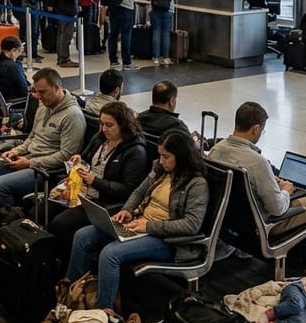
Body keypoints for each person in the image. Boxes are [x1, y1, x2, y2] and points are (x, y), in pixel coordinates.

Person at [63, 129, 208, 310]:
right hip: (140, 224)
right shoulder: (160, 170)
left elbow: (191, 224)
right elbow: (139, 191)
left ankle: (103, 311)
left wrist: (148, 226)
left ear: (182, 156)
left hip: (166, 239)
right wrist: (128, 210)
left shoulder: (196, 184)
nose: (161, 161)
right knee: (83, 236)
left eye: (166, 157)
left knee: (110, 254)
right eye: (160, 155)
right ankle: (71, 293)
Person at [208, 102, 306, 267]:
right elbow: (277, 209)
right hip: (264, 224)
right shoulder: (257, 162)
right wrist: (285, 191)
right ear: (255, 129)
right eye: (262, 130)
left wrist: (270, 180)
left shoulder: (216, 150)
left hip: (232, 220)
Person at [0, 67, 86, 208]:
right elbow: (32, 137)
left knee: (0, 186)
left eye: (42, 92)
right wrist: (16, 151)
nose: (38, 96)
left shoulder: (72, 116)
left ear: (56, 87)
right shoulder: (43, 106)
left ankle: (7, 223)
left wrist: (30, 163)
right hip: (27, 159)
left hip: (47, 171)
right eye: (36, 91)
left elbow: (66, 156)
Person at [44, 101, 149, 258]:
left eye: (109, 125)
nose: (104, 129)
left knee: (60, 224)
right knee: (40, 211)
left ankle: (62, 263)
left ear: (123, 125)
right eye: (102, 124)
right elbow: (86, 158)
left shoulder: (135, 151)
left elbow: (128, 190)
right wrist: (79, 160)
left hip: (102, 202)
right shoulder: (101, 138)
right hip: (82, 191)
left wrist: (94, 181)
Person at [104, 0, 139, 72]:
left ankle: (113, 61)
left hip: (112, 7)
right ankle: (127, 63)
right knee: (126, 35)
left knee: (113, 34)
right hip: (126, 7)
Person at [145, 0, 178, 66]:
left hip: (154, 10)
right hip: (168, 10)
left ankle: (155, 58)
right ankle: (166, 58)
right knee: (166, 34)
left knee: (156, 32)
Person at [54, 0, 83, 68]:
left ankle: (61, 57)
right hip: (67, 9)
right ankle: (64, 59)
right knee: (66, 34)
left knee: (62, 34)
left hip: (63, 8)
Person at [0, 36, 30, 102]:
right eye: (20, 50)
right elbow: (24, 91)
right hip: (12, 100)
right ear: (13, 51)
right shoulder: (12, 67)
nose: (21, 54)